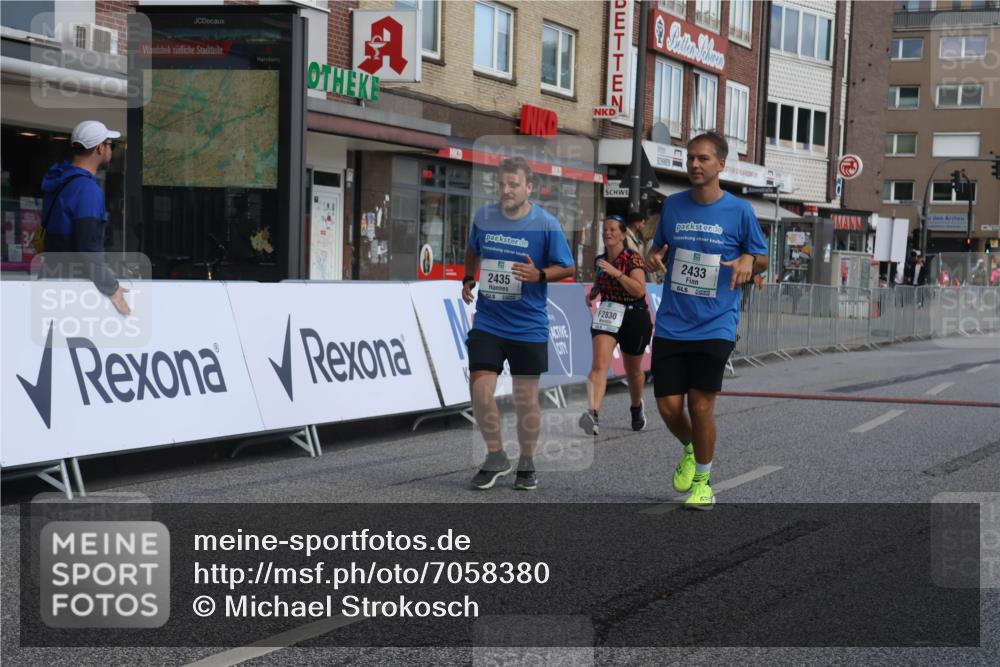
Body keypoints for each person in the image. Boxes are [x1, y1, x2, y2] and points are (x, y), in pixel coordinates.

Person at [646, 132, 768, 510]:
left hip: (716, 322)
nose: (695, 165)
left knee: (700, 405)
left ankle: (703, 481)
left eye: (703, 158)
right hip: (672, 321)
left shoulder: (740, 211)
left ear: (721, 164)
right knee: (668, 407)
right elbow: (657, 248)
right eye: (690, 158)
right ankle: (690, 447)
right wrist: (653, 257)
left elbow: (761, 257)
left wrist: (750, 261)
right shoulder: (673, 206)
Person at [462, 157, 575, 491]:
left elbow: (567, 267)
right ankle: (496, 455)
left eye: (513, 184)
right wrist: (468, 276)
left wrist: (539, 274)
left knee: (525, 399)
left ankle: (527, 461)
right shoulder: (484, 217)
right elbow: (472, 249)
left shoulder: (546, 224)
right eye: (501, 184)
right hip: (489, 321)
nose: (506, 190)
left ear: (529, 187)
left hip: (528, 325)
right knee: (479, 388)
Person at [41, 120, 130, 315]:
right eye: (110, 144)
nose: (111, 150)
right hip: (73, 291)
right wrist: (112, 288)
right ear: (99, 148)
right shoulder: (86, 189)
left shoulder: (62, 180)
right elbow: (88, 249)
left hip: (52, 281)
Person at [579, 215, 653, 435]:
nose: (607, 233)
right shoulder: (600, 260)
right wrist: (593, 294)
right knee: (599, 364)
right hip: (608, 313)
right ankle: (592, 414)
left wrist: (618, 274)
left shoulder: (632, 258)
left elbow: (639, 290)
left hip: (633, 314)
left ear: (622, 234)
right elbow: (600, 282)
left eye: (612, 229)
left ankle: (636, 406)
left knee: (633, 371)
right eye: (605, 230)